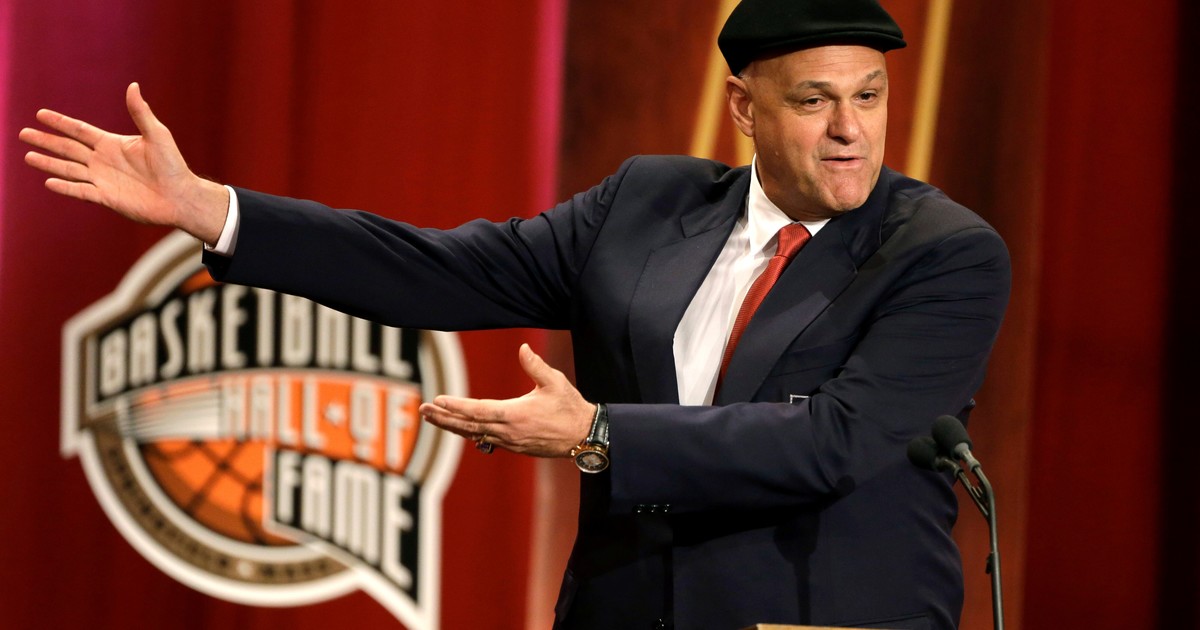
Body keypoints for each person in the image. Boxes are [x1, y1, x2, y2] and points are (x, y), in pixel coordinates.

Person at [20, 0, 1010, 627]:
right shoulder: (647, 203)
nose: (849, 130)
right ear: (745, 109)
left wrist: (599, 434)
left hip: (817, 619)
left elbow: (831, 444)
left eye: (869, 96)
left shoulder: (943, 253)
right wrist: (213, 210)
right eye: (814, 101)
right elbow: (440, 271)